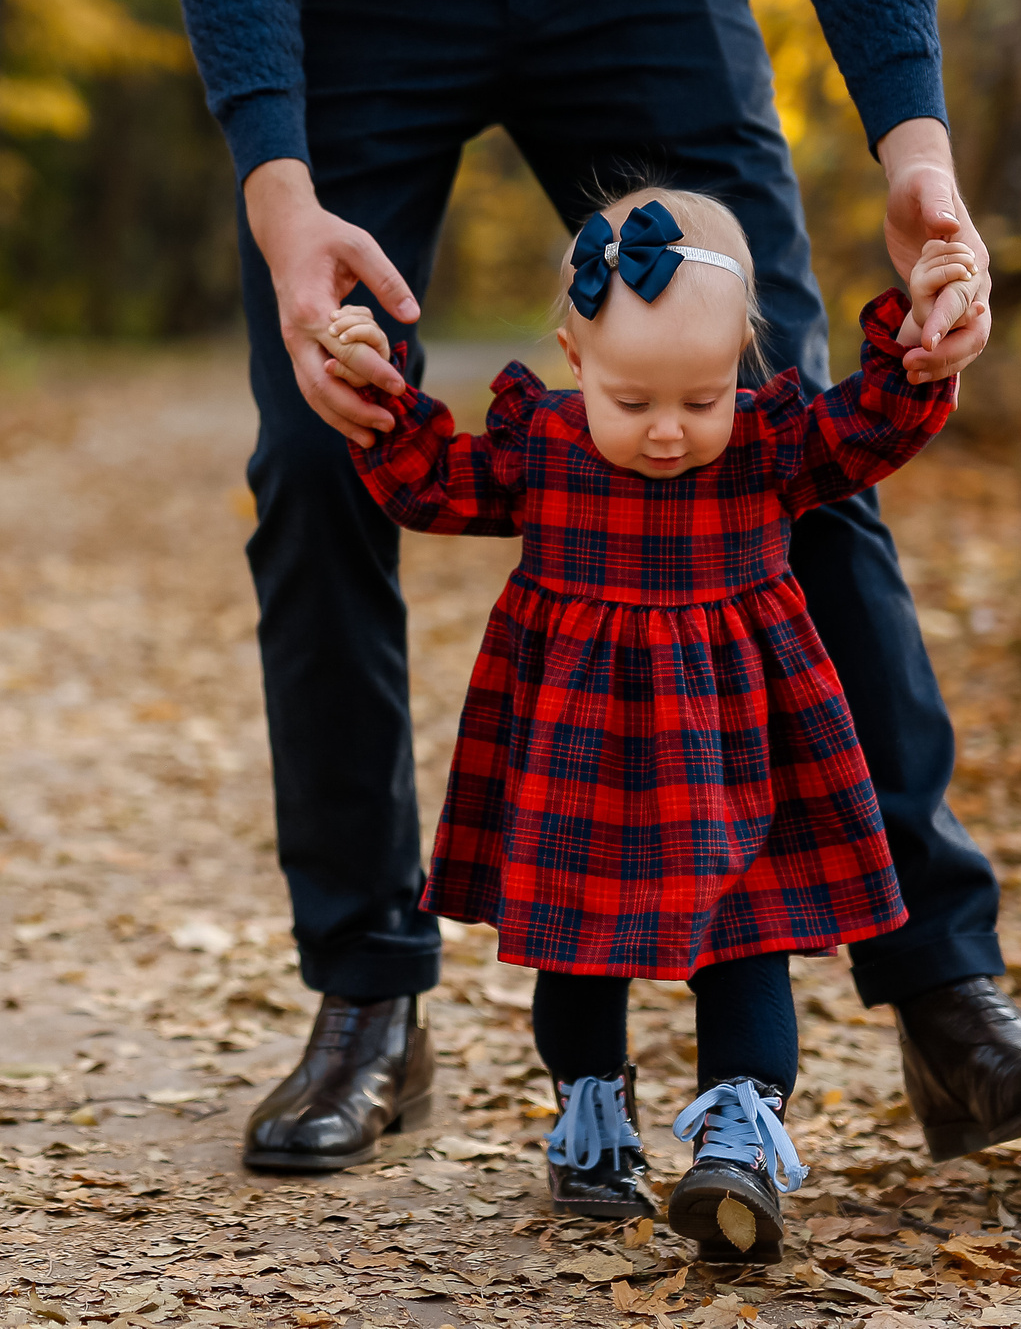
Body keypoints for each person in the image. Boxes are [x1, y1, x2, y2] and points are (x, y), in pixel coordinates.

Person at [162, 0, 1021, 1176]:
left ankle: (945, 989)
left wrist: (919, 151)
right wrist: (280, 193)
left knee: (782, 431)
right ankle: (367, 988)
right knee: (321, 441)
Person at [327, 191, 969, 1259]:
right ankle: (591, 1116)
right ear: (575, 358)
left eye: (701, 397)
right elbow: (431, 484)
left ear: (740, 363)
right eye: (631, 400)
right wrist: (374, 381)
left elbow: (873, 424)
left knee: (748, 937)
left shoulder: (767, 446)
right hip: (580, 756)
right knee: (578, 951)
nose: (669, 430)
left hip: (737, 755)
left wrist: (920, 332)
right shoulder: (543, 448)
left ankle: (739, 1135)